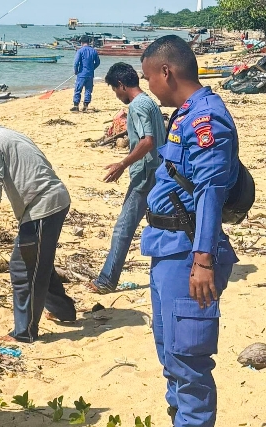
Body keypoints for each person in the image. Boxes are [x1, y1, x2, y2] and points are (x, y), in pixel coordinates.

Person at [133, 35, 239, 427]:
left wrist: (202, 262)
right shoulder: (186, 115)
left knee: (189, 354)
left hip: (189, 252)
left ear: (167, 73)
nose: (147, 84)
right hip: (167, 246)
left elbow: (212, 194)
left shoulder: (207, 119)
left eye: (148, 75)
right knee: (169, 348)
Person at [0, 104, 76, 343]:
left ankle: (25, 332)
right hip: (54, 200)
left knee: (23, 270)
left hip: (43, 207)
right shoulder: (10, 134)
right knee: (40, 262)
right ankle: (65, 311)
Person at [86, 62, 166, 294]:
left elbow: (147, 140)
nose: (116, 95)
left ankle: (107, 280)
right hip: (156, 170)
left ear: (121, 85)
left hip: (145, 173)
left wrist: (122, 164)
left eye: (114, 90)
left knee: (124, 228)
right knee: (161, 223)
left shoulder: (138, 106)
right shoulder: (148, 101)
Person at [72, 35, 100, 112]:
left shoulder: (80, 51)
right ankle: (85, 106)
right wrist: (92, 68)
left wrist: (75, 70)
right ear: (89, 42)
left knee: (78, 89)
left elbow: (76, 63)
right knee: (88, 90)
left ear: (81, 42)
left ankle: (76, 106)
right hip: (90, 74)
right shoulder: (93, 51)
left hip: (81, 74)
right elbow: (97, 62)